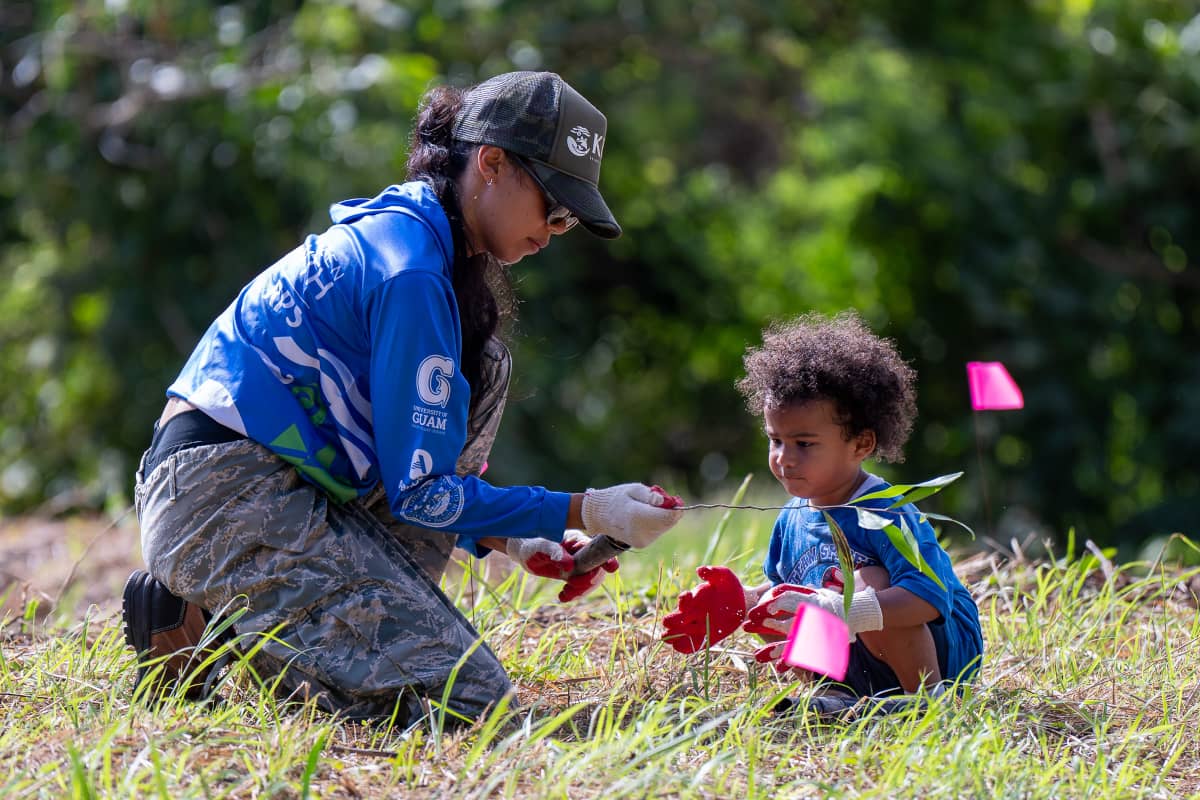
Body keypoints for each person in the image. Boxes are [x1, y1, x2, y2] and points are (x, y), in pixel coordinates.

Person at [122, 71, 683, 723]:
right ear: (492, 164)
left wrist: (517, 540)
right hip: (223, 491)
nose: (557, 229)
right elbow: (421, 493)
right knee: (471, 705)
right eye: (554, 205)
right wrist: (586, 509)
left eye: (570, 219)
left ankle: (208, 618)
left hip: (270, 486)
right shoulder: (413, 272)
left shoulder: (426, 243)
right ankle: (210, 611)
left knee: (489, 362)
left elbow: (412, 466)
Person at [660, 311, 982, 715]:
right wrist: (745, 602)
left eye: (804, 444)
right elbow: (786, 590)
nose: (784, 459)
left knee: (868, 579)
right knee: (784, 603)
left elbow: (928, 599)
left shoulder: (886, 513)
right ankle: (837, 693)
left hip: (942, 656)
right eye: (775, 440)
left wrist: (841, 609)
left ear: (862, 444)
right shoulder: (792, 518)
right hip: (861, 655)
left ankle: (927, 703)